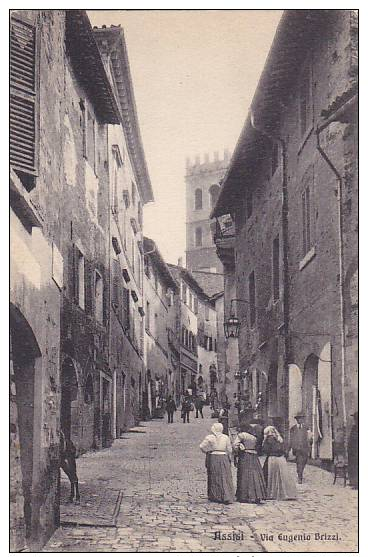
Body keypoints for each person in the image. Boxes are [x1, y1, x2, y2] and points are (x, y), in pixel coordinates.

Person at [199, 423, 235, 504]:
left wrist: (207, 451)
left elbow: (201, 446)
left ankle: (215, 495)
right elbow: (229, 450)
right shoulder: (226, 437)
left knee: (214, 475)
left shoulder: (209, 437)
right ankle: (226, 494)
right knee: (224, 476)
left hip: (214, 457)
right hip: (223, 457)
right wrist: (229, 457)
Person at [233, 422, 266, 504]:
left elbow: (235, 445)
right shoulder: (253, 437)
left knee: (244, 474)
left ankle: (244, 495)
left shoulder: (241, 435)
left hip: (245, 456)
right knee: (255, 475)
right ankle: (256, 495)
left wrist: (237, 451)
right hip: (254, 457)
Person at [262, 426, 296, 500]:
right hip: (281, 459)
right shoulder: (280, 438)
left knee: (271, 476)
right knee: (282, 476)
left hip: (273, 458)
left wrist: (264, 442)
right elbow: (283, 448)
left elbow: (265, 449)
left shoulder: (269, 439)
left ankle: (271, 492)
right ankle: (283, 492)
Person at [289, 414, 312, 484]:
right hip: (297, 449)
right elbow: (291, 438)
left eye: (301, 419)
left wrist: (310, 444)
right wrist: (291, 447)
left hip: (305, 448)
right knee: (299, 462)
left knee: (304, 461)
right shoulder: (293, 428)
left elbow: (309, 437)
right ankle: (300, 476)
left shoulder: (306, 428)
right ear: (297, 420)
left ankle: (300, 472)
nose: (300, 420)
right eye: (299, 419)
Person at [347, 411, 358, 489]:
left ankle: (357, 484)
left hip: (356, 452)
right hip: (352, 452)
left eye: (355, 418)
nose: (354, 420)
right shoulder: (354, 427)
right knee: (353, 467)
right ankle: (353, 482)